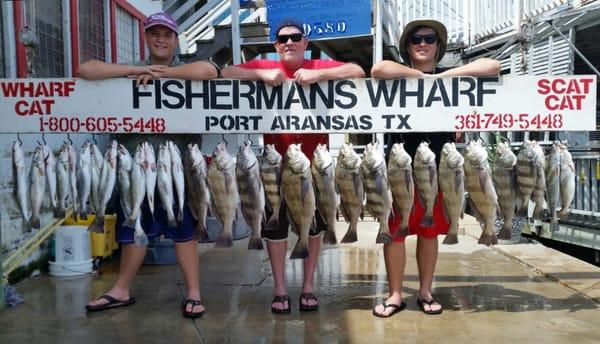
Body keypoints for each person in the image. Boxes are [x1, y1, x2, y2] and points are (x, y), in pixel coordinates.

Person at [81, 12, 219, 318]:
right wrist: (138, 70)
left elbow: (210, 70)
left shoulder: (186, 70)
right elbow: (85, 69)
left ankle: (194, 293)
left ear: (176, 39)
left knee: (184, 232)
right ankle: (121, 289)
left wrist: (162, 75)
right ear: (145, 37)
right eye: (154, 33)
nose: (160, 39)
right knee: (134, 228)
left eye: (167, 35)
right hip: (136, 170)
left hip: (178, 171)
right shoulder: (127, 72)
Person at [222, 19, 365, 314]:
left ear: (305, 42)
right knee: (275, 229)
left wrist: (322, 75)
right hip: (274, 167)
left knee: (313, 227)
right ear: (276, 45)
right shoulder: (265, 64)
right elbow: (225, 72)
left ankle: (308, 285)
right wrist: (262, 74)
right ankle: (280, 288)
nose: (289, 42)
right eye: (283, 39)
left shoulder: (316, 66)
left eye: (295, 37)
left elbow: (357, 71)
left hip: (315, 168)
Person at [370, 18, 500, 317]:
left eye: (430, 39)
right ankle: (395, 295)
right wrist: (422, 78)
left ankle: (426, 292)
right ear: (408, 46)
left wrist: (445, 76)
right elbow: (378, 69)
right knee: (396, 232)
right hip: (399, 167)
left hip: (440, 167)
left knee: (428, 233)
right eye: (416, 40)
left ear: (438, 46)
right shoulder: (398, 75)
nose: (423, 44)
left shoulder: (450, 77)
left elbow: (492, 67)